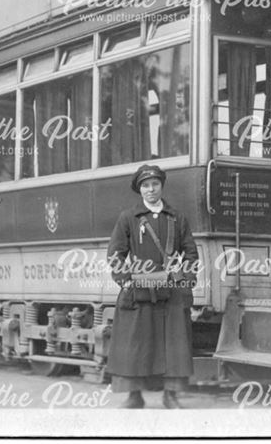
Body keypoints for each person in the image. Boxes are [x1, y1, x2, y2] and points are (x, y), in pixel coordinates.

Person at [106, 164, 198, 409]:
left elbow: (191, 253)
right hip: (139, 289)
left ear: (161, 186)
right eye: (145, 186)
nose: (150, 190)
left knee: (174, 345)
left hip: (171, 292)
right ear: (140, 189)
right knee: (135, 345)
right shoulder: (129, 217)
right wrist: (125, 280)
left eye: (155, 184)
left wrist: (185, 279)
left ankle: (172, 395)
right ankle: (133, 395)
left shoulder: (177, 218)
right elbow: (115, 254)